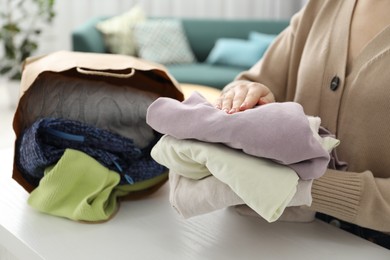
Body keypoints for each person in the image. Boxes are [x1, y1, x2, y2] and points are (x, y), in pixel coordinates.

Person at [214, 0, 390, 248]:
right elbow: (248, 83)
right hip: (277, 237)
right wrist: (245, 97)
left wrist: (299, 187)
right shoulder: (321, 7)